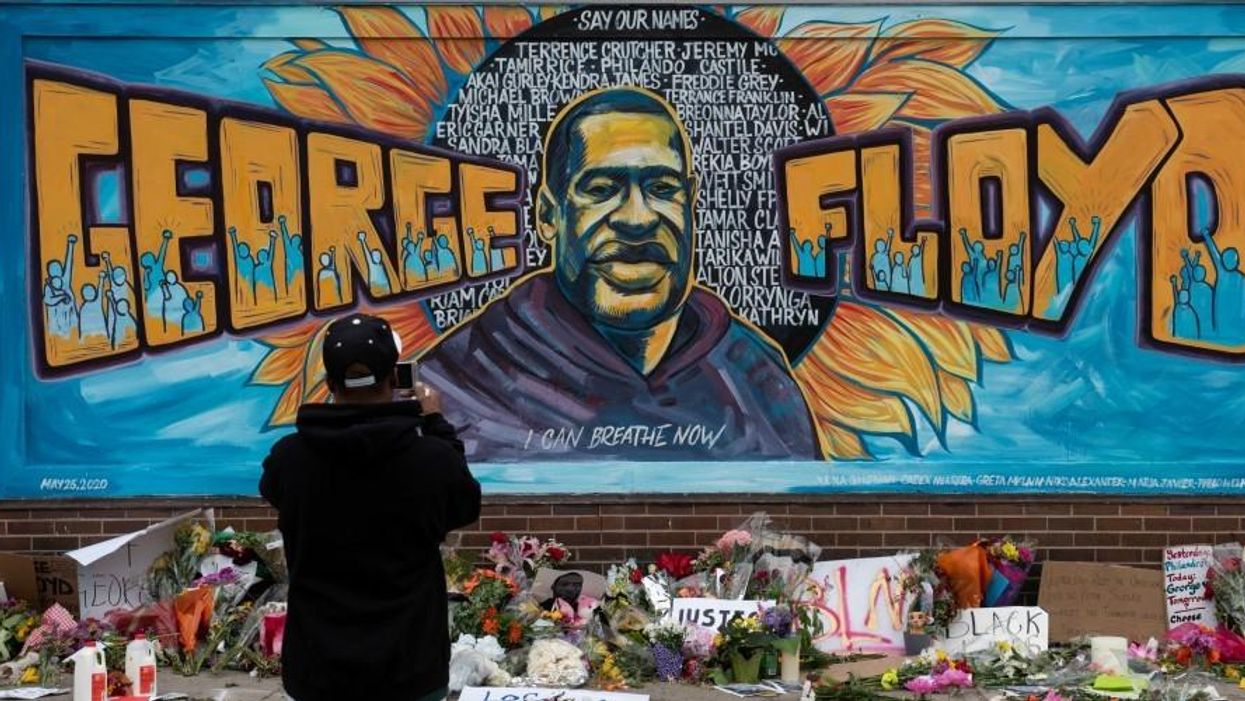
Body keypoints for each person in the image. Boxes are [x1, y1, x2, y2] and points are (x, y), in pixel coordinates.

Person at [417, 87, 820, 461]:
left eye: (662, 188)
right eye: (601, 189)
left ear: (691, 203)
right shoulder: (461, 381)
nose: (637, 219)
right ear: (548, 216)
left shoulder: (756, 380)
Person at [260, 312, 480, 701]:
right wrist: (436, 423)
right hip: (409, 670)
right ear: (394, 378)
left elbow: (276, 490)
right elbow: (464, 504)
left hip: (318, 671)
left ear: (330, 384)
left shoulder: (289, 459)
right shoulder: (431, 460)